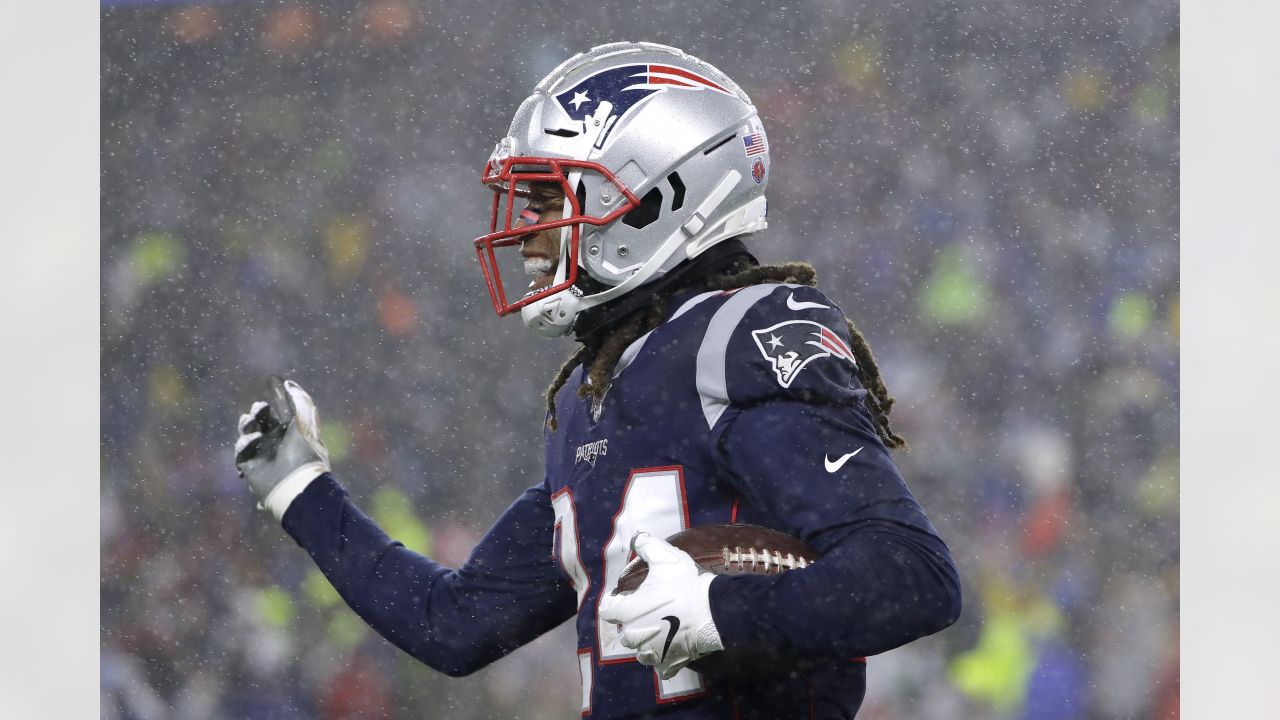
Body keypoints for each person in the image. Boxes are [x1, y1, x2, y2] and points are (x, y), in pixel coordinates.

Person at [235, 41, 961, 719]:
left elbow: (911, 575)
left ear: (657, 197)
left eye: (550, 200)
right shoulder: (599, 391)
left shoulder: (740, 333)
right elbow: (455, 624)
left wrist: (722, 614)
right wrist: (301, 491)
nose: (527, 231)